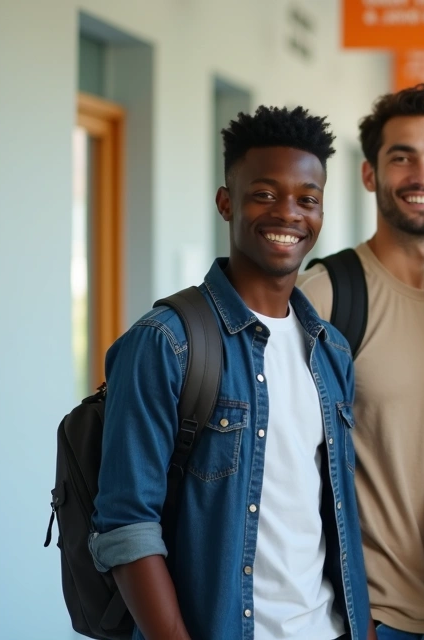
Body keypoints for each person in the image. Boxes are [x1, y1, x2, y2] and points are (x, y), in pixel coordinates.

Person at [90, 106, 374, 640]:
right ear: (226, 202)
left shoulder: (331, 351)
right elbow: (126, 526)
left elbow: (336, 517)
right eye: (264, 193)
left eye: (307, 199)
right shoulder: (165, 343)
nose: (288, 213)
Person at [298, 84, 424, 639]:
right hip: (361, 614)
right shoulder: (326, 295)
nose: (422, 175)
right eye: (402, 157)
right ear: (369, 174)